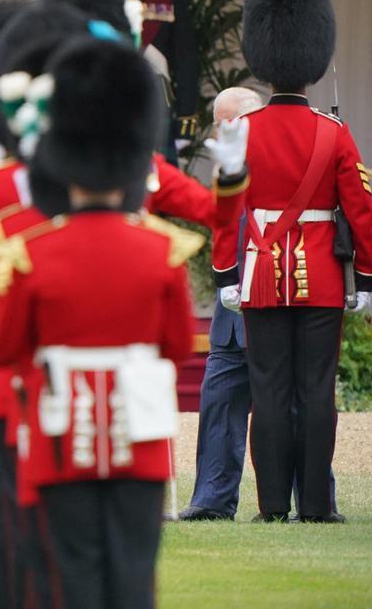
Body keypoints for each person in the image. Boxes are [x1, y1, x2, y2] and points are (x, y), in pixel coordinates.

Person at [0, 38, 198, 609]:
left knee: (68, 578)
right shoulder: (161, 251)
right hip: (140, 436)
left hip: (59, 435)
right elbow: (177, 347)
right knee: (133, 576)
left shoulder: (31, 253)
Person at [213, 0, 372, 523]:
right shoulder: (335, 133)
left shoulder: (244, 130)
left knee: (268, 392)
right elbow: (361, 211)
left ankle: (272, 506)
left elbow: (225, 209)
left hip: (259, 275)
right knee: (317, 393)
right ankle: (318, 506)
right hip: (323, 278)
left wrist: (224, 276)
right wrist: (367, 281)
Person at [180, 86, 262, 521]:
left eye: (230, 121)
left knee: (281, 408)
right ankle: (211, 500)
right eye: (219, 121)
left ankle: (299, 499)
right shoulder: (226, 171)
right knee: (218, 404)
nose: (221, 130)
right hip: (230, 314)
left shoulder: (274, 163)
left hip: (272, 302)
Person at [110, 0, 199, 161]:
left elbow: (186, 59)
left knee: (160, 184)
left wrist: (185, 119)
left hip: (158, 102)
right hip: (110, 103)